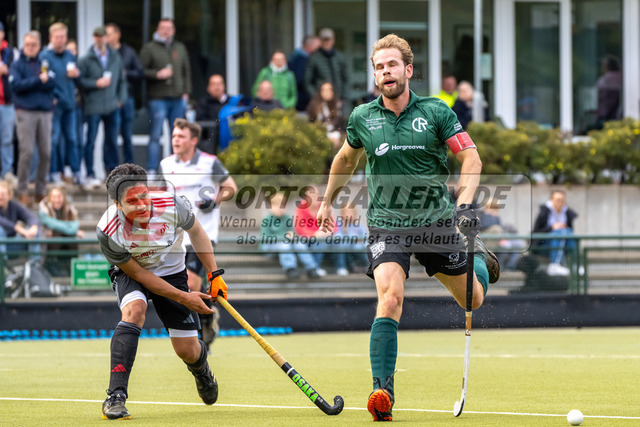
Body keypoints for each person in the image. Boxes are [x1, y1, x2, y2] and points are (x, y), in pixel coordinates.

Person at [316, 34, 500, 422]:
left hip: (437, 223)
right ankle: (382, 392)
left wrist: (464, 206)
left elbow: (470, 158)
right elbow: (345, 160)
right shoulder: (362, 117)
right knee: (390, 298)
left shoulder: (436, 112)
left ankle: (479, 259)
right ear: (375, 75)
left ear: (408, 70)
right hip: (387, 225)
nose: (385, 72)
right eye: (379, 67)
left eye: (392, 65)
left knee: (473, 300)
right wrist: (326, 201)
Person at [97, 163, 227, 420]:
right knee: (134, 310)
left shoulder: (173, 205)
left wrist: (214, 275)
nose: (142, 205)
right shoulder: (108, 231)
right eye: (132, 201)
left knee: (187, 351)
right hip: (132, 272)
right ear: (117, 204)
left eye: (144, 195)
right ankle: (115, 396)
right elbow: (141, 276)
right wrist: (185, 297)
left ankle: (201, 369)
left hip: (172, 271)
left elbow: (197, 233)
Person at [159, 118, 237, 353]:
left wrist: (214, 201)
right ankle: (207, 318)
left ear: (193, 140)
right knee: (187, 284)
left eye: (181, 137)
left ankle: (201, 336)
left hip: (203, 234)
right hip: (177, 236)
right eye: (174, 136)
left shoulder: (209, 162)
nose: (175, 140)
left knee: (192, 282)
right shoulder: (165, 164)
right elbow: (163, 195)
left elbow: (231, 187)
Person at [140, 18, 192, 174]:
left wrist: (186, 92)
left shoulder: (179, 47)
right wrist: (157, 74)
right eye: (163, 28)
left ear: (173, 30)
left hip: (177, 98)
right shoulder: (149, 48)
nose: (166, 31)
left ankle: (174, 169)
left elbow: (186, 71)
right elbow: (141, 71)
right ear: (157, 29)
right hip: (157, 98)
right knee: (156, 135)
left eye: (169, 28)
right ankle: (152, 169)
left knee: (177, 136)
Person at [78, 26, 127, 186]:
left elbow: (122, 80)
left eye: (102, 36)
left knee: (111, 140)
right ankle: (90, 173)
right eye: (97, 36)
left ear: (106, 38)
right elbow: (79, 82)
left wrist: (120, 99)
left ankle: (112, 173)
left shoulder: (115, 57)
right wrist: (95, 83)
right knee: (91, 141)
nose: (100, 39)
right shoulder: (86, 59)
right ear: (94, 38)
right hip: (93, 106)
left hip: (112, 106)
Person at [9, 30, 54, 206]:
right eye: (27, 44)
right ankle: (22, 190)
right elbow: (16, 86)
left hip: (44, 112)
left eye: (34, 45)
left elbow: (51, 83)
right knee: (27, 152)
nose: (30, 47)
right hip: (25, 112)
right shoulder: (17, 64)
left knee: (46, 153)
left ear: (39, 46)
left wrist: (36, 83)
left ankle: (40, 191)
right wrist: (37, 81)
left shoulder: (44, 63)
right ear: (24, 45)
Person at [39, 22, 82, 185]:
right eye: (57, 37)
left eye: (63, 36)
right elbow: (43, 79)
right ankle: (54, 172)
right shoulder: (45, 56)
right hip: (55, 105)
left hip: (70, 104)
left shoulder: (70, 55)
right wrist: (51, 96)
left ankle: (76, 173)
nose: (61, 40)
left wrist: (77, 74)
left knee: (72, 139)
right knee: (54, 140)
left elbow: (78, 77)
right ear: (51, 38)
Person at [261, 192, 323, 279]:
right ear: (271, 206)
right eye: (276, 205)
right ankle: (290, 269)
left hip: (286, 244)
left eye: (282, 206)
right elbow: (266, 238)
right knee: (284, 245)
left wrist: (292, 235)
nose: (279, 208)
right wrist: (284, 236)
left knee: (300, 244)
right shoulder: (267, 219)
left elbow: (292, 232)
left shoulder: (286, 218)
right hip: (270, 247)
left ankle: (311, 268)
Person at [106, 22, 144, 164]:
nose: (107, 38)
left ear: (118, 35)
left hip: (127, 98)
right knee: (111, 136)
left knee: (127, 136)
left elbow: (140, 73)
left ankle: (129, 167)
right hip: (110, 99)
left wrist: (125, 73)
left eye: (109, 34)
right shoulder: (104, 54)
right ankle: (113, 168)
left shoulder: (129, 52)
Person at [38, 185, 84, 276]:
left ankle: (72, 266)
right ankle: (52, 265)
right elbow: (53, 225)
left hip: (66, 242)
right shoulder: (44, 209)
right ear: (50, 198)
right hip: (49, 244)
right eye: (54, 197)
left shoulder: (69, 208)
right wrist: (70, 228)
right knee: (56, 232)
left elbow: (75, 226)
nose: (57, 200)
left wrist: (71, 230)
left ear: (63, 197)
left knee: (71, 236)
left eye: (59, 196)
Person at [533, 189, 578, 276]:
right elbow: (536, 231)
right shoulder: (544, 212)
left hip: (563, 244)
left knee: (568, 232)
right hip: (544, 244)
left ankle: (575, 265)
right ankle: (554, 264)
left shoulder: (566, 212)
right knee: (558, 233)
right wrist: (552, 228)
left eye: (562, 200)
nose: (560, 203)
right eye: (557, 200)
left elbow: (570, 230)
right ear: (551, 200)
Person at [304, 28, 349, 103]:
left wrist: (344, 97)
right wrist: (316, 97)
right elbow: (307, 82)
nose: (327, 42)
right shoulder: (314, 58)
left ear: (333, 40)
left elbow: (346, 79)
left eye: (328, 40)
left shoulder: (340, 57)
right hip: (321, 100)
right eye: (324, 40)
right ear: (320, 41)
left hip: (339, 98)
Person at [195, 74, 229, 153]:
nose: (217, 87)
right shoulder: (203, 103)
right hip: (210, 142)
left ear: (224, 86)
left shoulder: (231, 102)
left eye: (219, 84)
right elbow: (200, 122)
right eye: (213, 84)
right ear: (208, 88)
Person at [333, 204, 369, 275]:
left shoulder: (359, 226)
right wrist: (345, 231)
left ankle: (366, 266)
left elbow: (365, 239)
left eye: (350, 212)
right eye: (346, 212)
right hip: (345, 250)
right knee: (341, 247)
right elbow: (336, 236)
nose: (348, 214)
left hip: (357, 250)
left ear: (354, 213)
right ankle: (342, 267)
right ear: (342, 213)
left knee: (359, 247)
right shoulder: (339, 224)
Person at [306, 81, 344, 149]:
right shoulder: (314, 106)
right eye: (324, 90)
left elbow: (340, 126)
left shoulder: (338, 105)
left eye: (329, 90)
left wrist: (336, 136)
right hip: (319, 137)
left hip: (336, 137)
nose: (327, 92)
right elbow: (311, 125)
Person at [0, 21, 16, 180]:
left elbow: (14, 71)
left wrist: (6, 70)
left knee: (6, 139)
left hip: (6, 103)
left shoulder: (10, 51)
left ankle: (7, 171)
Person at [288, 35, 320, 112]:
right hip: (302, 100)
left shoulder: (295, 57)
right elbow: (299, 79)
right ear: (309, 46)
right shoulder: (301, 60)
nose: (318, 50)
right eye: (317, 47)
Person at [595, 55, 622, 129]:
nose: (602, 67)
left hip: (605, 116)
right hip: (618, 116)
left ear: (607, 66)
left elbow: (598, 96)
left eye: (603, 65)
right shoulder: (623, 77)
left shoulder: (604, 80)